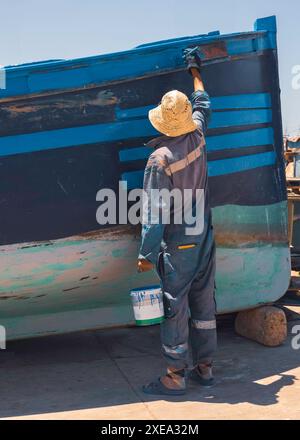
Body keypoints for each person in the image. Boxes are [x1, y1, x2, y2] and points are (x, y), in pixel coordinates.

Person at [137, 49, 217, 396]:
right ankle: (206, 367)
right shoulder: (198, 135)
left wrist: (145, 254)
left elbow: (154, 215)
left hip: (180, 237)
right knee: (203, 299)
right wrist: (195, 69)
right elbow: (202, 102)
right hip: (204, 230)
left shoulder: (160, 160)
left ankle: (174, 374)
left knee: (175, 304)